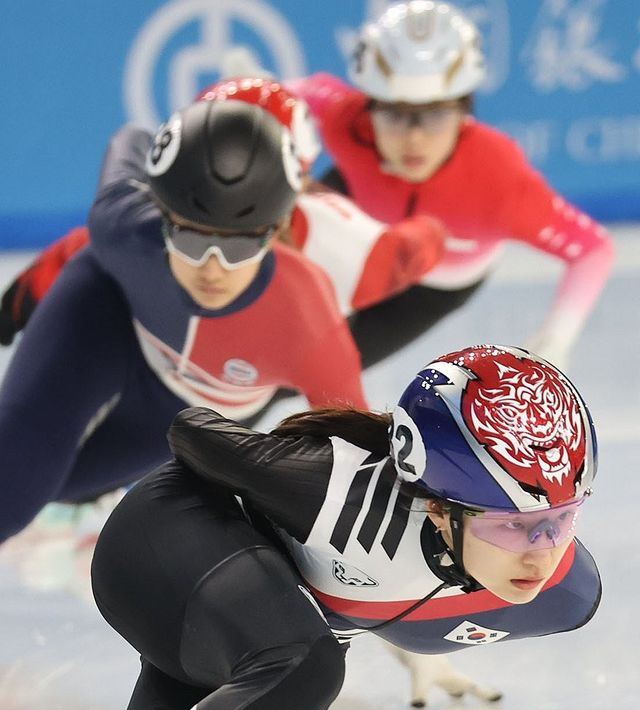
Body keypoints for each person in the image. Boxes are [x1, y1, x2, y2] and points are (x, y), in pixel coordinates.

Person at [0, 344, 601, 710]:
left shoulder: (566, 595)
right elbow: (191, 430)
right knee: (306, 666)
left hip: (241, 625)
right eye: (511, 527)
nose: (540, 554)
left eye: (560, 520)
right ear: (438, 508)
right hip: (164, 543)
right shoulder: (342, 497)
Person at [0, 97, 373, 547]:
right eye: (191, 238)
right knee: (14, 494)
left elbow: (363, 457)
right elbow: (132, 138)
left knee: (61, 487)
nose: (212, 268)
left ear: (275, 232)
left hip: (177, 400)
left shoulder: (309, 322)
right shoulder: (124, 227)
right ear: (162, 216)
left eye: (238, 248)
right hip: (102, 315)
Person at [0, 77, 445, 369]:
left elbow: (413, 249)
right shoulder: (144, 224)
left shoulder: (355, 250)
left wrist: (434, 227)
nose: (222, 214)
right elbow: (98, 244)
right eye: (197, 216)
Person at [289, 0, 615, 368]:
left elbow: (592, 249)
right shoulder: (347, 121)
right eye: (395, 114)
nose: (414, 140)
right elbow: (302, 91)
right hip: (362, 223)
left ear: (464, 110)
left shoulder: (501, 182)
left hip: (433, 286)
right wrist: (251, 95)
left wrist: (558, 337)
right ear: (369, 108)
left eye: (435, 115)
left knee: (318, 364)